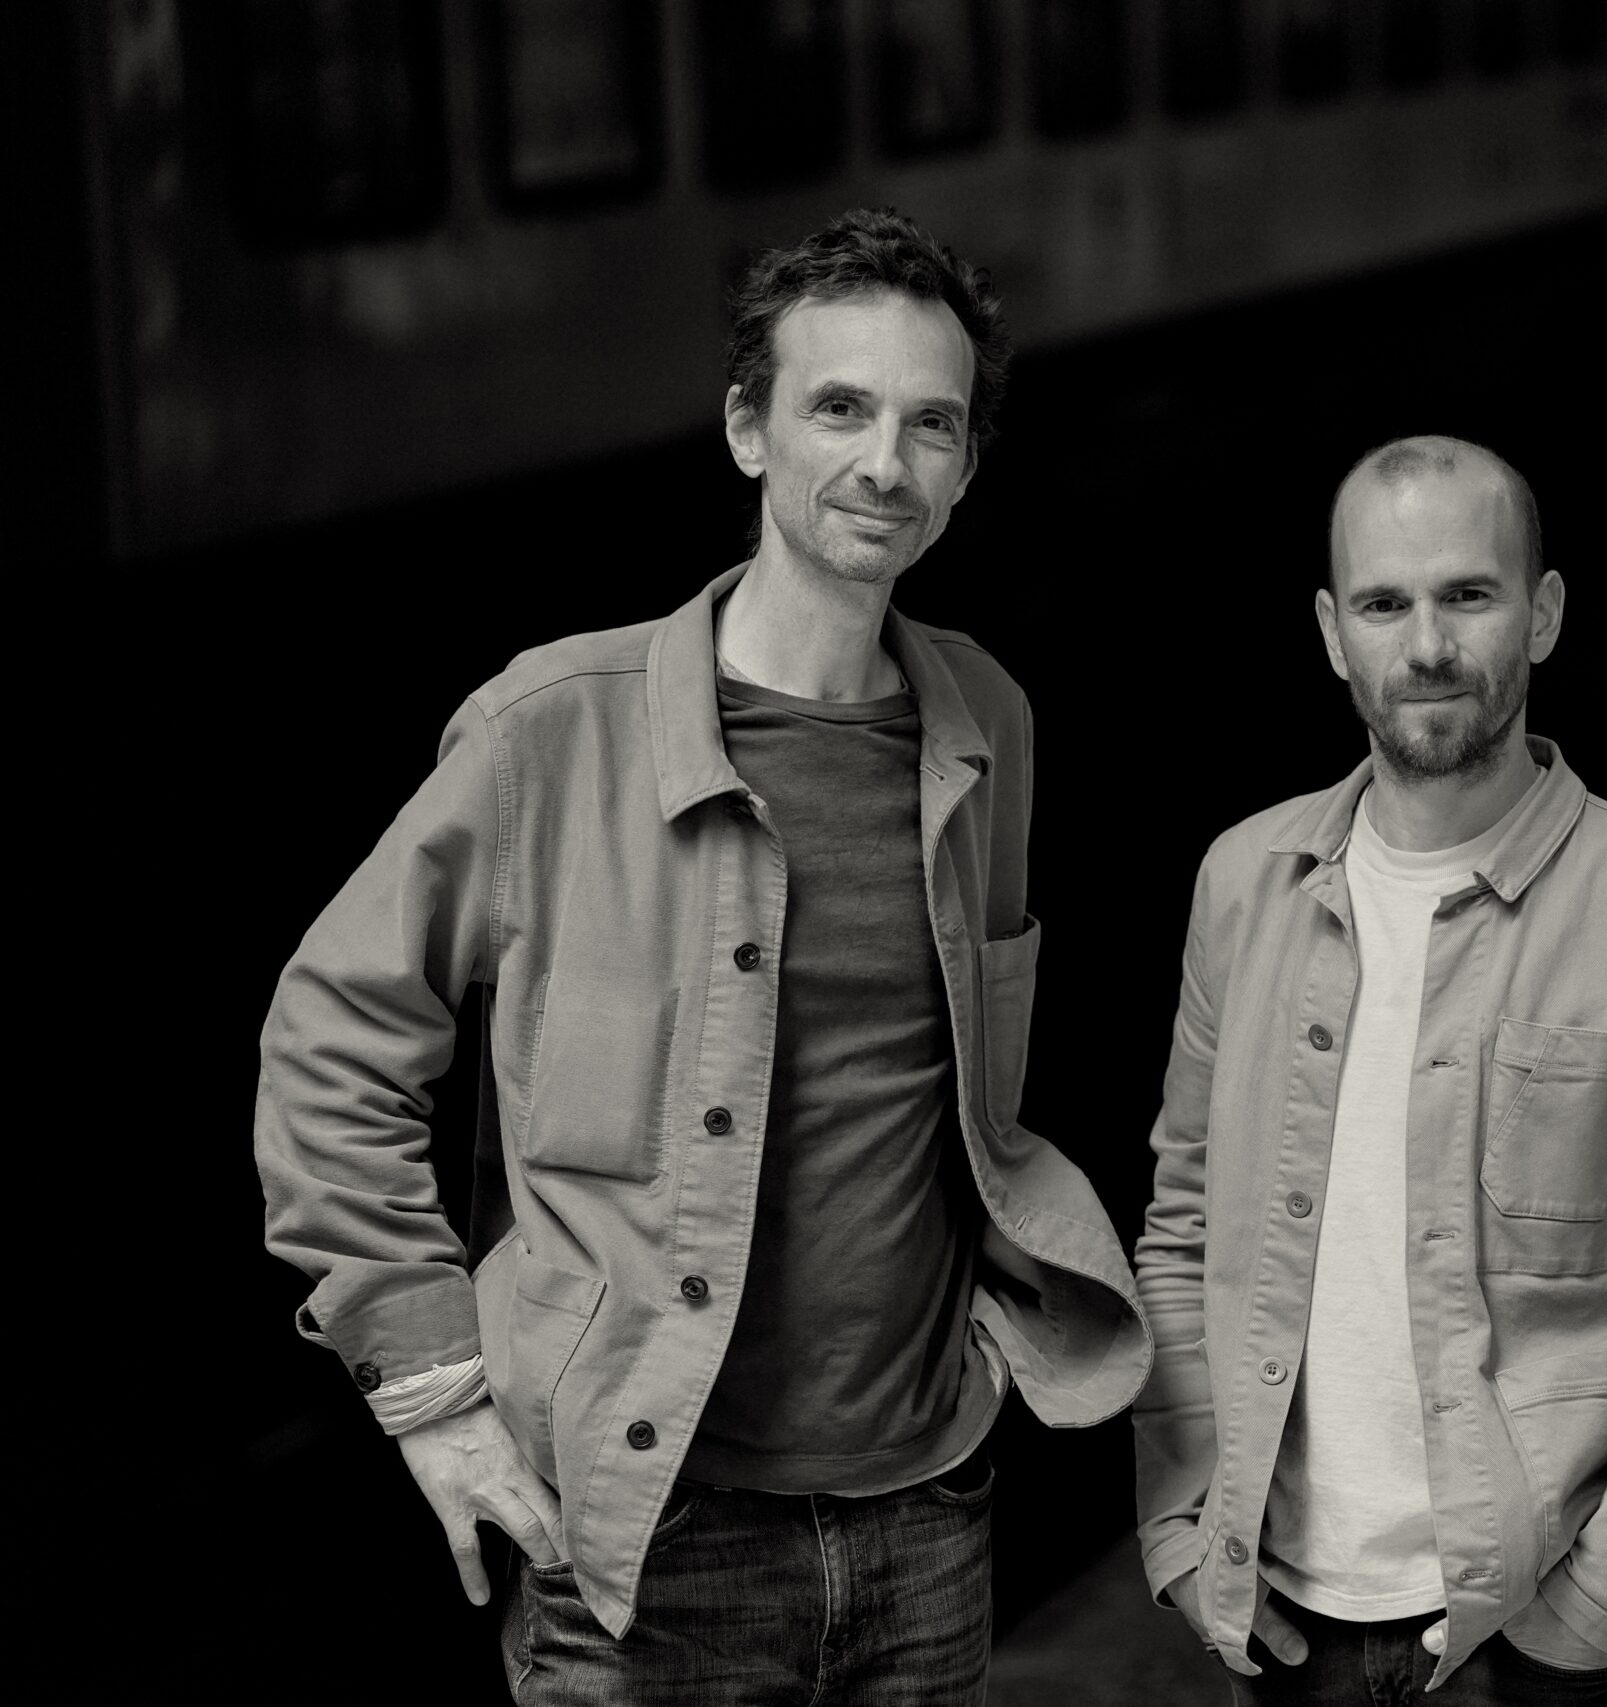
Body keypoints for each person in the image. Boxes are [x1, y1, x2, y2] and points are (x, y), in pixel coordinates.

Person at [255, 207, 1149, 1704]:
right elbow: (330, 1042)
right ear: (748, 429)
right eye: (838, 408)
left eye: (931, 424)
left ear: (965, 468)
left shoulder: (987, 722)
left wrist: (984, 1352)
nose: (885, 463)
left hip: (925, 1517)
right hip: (648, 1539)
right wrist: (433, 1391)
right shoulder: (553, 730)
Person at [1132, 436, 1607, 1705]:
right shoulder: (1243, 883)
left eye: (1468, 595)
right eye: (1385, 604)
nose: (1428, 645)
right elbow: (1184, 1230)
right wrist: (1181, 1529)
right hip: (1286, 1629)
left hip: (1552, 1634)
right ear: (1333, 634)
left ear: (1541, 614)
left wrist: (1605, 1605)